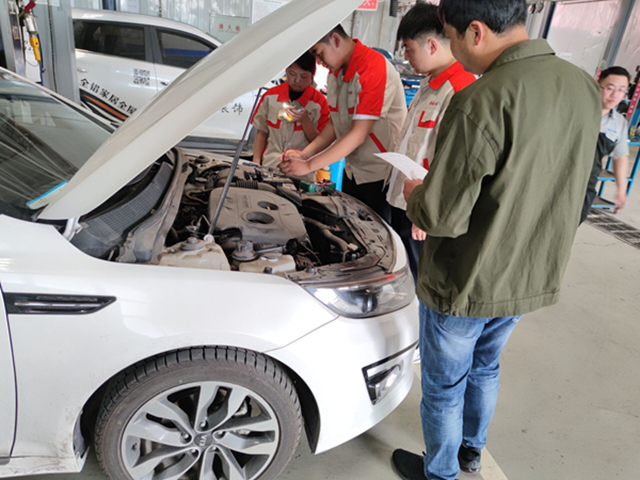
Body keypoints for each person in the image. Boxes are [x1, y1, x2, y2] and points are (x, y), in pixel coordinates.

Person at [390, 1, 601, 480]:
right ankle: (471, 452)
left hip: (466, 278)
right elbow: (584, 186)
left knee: (444, 386)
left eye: (452, 37)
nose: (454, 50)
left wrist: (416, 193)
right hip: (529, 271)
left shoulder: (480, 99)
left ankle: (440, 474)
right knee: (486, 365)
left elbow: (440, 215)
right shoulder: (582, 86)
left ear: (476, 32)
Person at [279, 25, 407, 222]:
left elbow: (358, 134)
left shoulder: (373, 68)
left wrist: (308, 166)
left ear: (336, 40)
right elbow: (334, 123)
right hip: (353, 169)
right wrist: (305, 155)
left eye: (319, 53)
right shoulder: (336, 74)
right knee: (351, 226)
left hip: (380, 175)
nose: (319, 62)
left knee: (376, 232)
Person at [387, 2, 475, 282]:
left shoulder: (460, 89)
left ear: (432, 46)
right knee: (402, 271)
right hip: (406, 200)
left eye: (409, 48)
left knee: (417, 278)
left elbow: (456, 164)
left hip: (423, 211)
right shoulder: (430, 84)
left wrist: (427, 212)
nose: (406, 56)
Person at [251, 52, 329, 182]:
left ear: (312, 76)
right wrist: (255, 163)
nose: (297, 80)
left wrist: (305, 121)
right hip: (270, 167)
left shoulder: (319, 104)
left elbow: (320, 142)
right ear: (286, 71)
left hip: (302, 174)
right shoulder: (270, 97)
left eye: (303, 76)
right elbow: (261, 132)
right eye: (292, 74)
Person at [580, 66, 631, 223]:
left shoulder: (619, 123)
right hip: (558, 176)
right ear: (598, 86)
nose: (615, 95)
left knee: (575, 221)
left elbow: (620, 157)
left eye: (621, 90)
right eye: (610, 88)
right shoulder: (579, 110)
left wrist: (621, 189)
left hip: (587, 183)